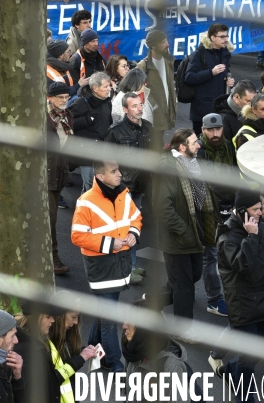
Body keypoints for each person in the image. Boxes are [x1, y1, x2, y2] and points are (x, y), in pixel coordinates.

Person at [71, 160, 141, 371]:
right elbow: (77, 236)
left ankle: (94, 351)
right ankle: (114, 363)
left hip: (119, 263)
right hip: (101, 265)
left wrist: (133, 234)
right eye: (114, 171)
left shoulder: (123, 193)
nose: (120, 174)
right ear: (100, 177)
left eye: (118, 169)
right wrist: (110, 243)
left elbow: (136, 218)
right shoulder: (86, 201)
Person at [210, 190, 264, 402]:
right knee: (249, 358)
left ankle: (231, 370)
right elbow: (242, 266)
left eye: (261, 208)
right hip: (244, 305)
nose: (261, 212)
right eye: (255, 209)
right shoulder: (227, 236)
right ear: (242, 212)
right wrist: (251, 237)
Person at [154, 129, 219, 343]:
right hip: (178, 238)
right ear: (182, 147)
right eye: (193, 143)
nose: (199, 145)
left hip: (195, 232)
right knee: (184, 285)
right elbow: (164, 209)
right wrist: (184, 231)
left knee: (193, 276)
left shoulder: (192, 164)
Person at [105, 92, 152, 284]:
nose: (139, 108)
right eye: (134, 106)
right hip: (123, 187)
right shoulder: (115, 130)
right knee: (123, 228)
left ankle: (130, 265)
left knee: (133, 226)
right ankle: (126, 268)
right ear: (125, 109)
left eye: (140, 105)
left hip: (141, 184)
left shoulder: (148, 127)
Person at [14, 300, 96, 403]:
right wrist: (80, 358)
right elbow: (50, 381)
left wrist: (82, 351)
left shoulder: (43, 339)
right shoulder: (28, 350)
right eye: (48, 317)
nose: (53, 320)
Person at [196, 113, 234, 318]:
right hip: (209, 210)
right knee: (209, 256)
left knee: (226, 254)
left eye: (217, 129)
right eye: (210, 130)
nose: (214, 133)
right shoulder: (199, 151)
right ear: (203, 131)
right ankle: (213, 300)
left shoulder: (228, 145)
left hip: (229, 206)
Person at [185, 22, 234, 135]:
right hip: (202, 110)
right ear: (212, 38)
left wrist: (229, 81)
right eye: (222, 37)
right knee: (201, 144)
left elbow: (226, 73)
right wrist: (211, 72)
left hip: (220, 107)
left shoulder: (225, 53)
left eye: (226, 36)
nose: (226, 39)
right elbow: (189, 77)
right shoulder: (199, 54)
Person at [67, 72, 112, 192]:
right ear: (95, 89)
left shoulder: (106, 101)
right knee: (91, 187)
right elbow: (67, 122)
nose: (109, 89)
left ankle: (84, 209)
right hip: (86, 152)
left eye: (109, 86)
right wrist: (87, 119)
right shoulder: (81, 103)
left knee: (92, 187)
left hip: (100, 151)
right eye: (106, 86)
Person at [46, 82, 73, 275]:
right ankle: (52, 259)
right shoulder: (42, 118)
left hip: (58, 175)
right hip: (44, 176)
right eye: (60, 97)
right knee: (50, 220)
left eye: (66, 97)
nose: (64, 101)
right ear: (50, 98)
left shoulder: (67, 116)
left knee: (49, 220)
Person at [137, 29, 176, 149]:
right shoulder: (143, 65)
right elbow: (137, 91)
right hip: (152, 115)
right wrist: (153, 106)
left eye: (166, 40)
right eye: (163, 42)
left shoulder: (168, 61)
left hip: (167, 111)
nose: (167, 44)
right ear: (153, 46)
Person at [212, 79, 257, 144]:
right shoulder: (224, 119)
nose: (253, 105)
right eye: (248, 101)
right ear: (236, 97)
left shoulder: (251, 111)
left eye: (254, 100)